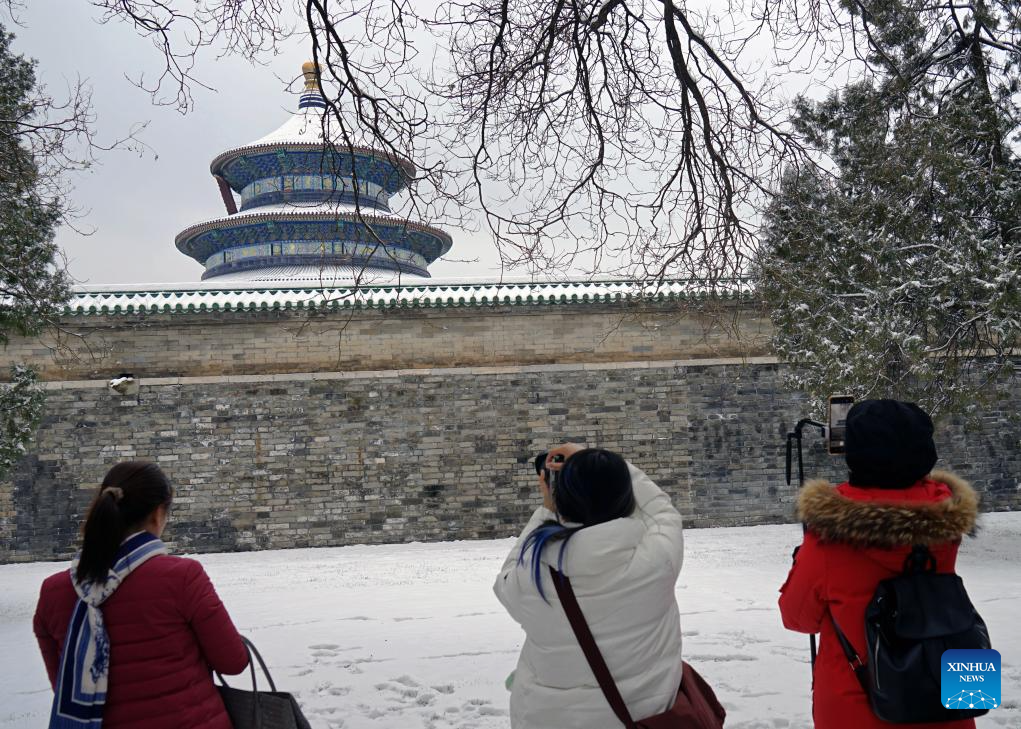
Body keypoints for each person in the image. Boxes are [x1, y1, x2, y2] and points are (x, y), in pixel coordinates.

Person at [778, 400, 979, 729]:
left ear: (855, 455)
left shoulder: (830, 536)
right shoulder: (945, 519)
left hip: (858, 707)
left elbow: (797, 618)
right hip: (946, 700)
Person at [33, 461, 249, 729]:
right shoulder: (181, 577)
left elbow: (63, 684)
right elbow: (233, 662)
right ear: (159, 514)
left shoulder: (54, 593)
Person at [494, 443, 685, 729]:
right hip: (643, 715)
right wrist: (597, 462)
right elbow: (660, 508)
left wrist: (547, 510)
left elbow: (506, 578)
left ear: (561, 498)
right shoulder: (659, 559)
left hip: (549, 718)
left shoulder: (532, 573)